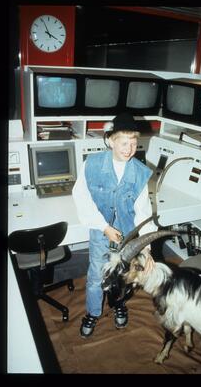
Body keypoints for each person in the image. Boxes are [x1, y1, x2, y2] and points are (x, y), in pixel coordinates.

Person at [72, 112, 156, 338]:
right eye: (123, 142)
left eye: (134, 142)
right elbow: (81, 197)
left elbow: (143, 213)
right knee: (96, 277)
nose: (129, 149)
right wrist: (103, 226)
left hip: (128, 237)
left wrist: (146, 249)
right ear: (110, 140)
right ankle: (93, 312)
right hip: (102, 233)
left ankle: (119, 303)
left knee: (122, 276)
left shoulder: (140, 172)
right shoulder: (92, 164)